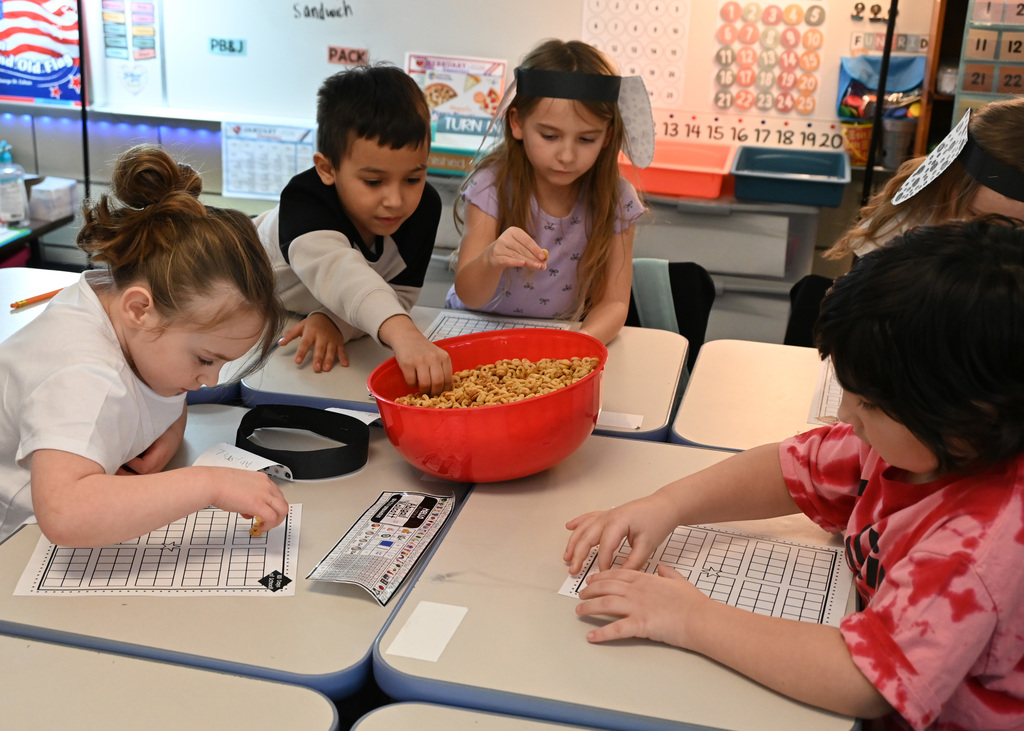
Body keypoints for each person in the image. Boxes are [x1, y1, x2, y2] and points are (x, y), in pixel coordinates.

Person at [564, 217, 1024, 729]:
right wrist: (668, 504)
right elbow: (792, 468)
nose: (847, 414)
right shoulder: (913, 444)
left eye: (869, 403)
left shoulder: (980, 545)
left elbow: (865, 681)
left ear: (967, 420)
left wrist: (691, 618)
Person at [0, 145, 289, 548]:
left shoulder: (130, 315)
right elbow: (65, 514)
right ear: (140, 309)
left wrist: (168, 432)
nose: (209, 379)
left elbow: (164, 381)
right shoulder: (83, 375)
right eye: (205, 359)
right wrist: (207, 484)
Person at [257, 65, 452, 395]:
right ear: (327, 168)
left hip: (291, 317)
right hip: (239, 289)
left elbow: (398, 295)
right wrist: (405, 335)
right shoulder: (305, 200)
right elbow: (341, 273)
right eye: (373, 182)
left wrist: (335, 321)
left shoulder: (424, 208)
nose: (395, 200)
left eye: (413, 179)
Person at [445, 39, 645, 344]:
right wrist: (491, 259)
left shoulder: (617, 199)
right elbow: (470, 293)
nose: (566, 155)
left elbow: (614, 303)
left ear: (607, 136)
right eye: (550, 136)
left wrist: (578, 344)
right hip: (474, 328)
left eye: (586, 139)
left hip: (559, 337)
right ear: (517, 123)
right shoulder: (491, 186)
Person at [785, 95, 1024, 347]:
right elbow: (861, 321)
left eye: (1018, 229)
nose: (997, 237)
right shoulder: (906, 219)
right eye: (978, 217)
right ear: (950, 179)